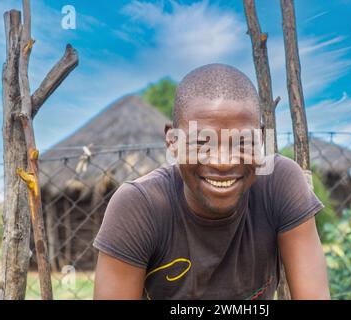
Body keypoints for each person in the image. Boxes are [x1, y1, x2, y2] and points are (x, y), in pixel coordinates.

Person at [93, 64, 330, 300]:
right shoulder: (140, 206)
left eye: (242, 142)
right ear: (173, 141)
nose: (223, 163)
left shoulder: (279, 184)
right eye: (201, 143)